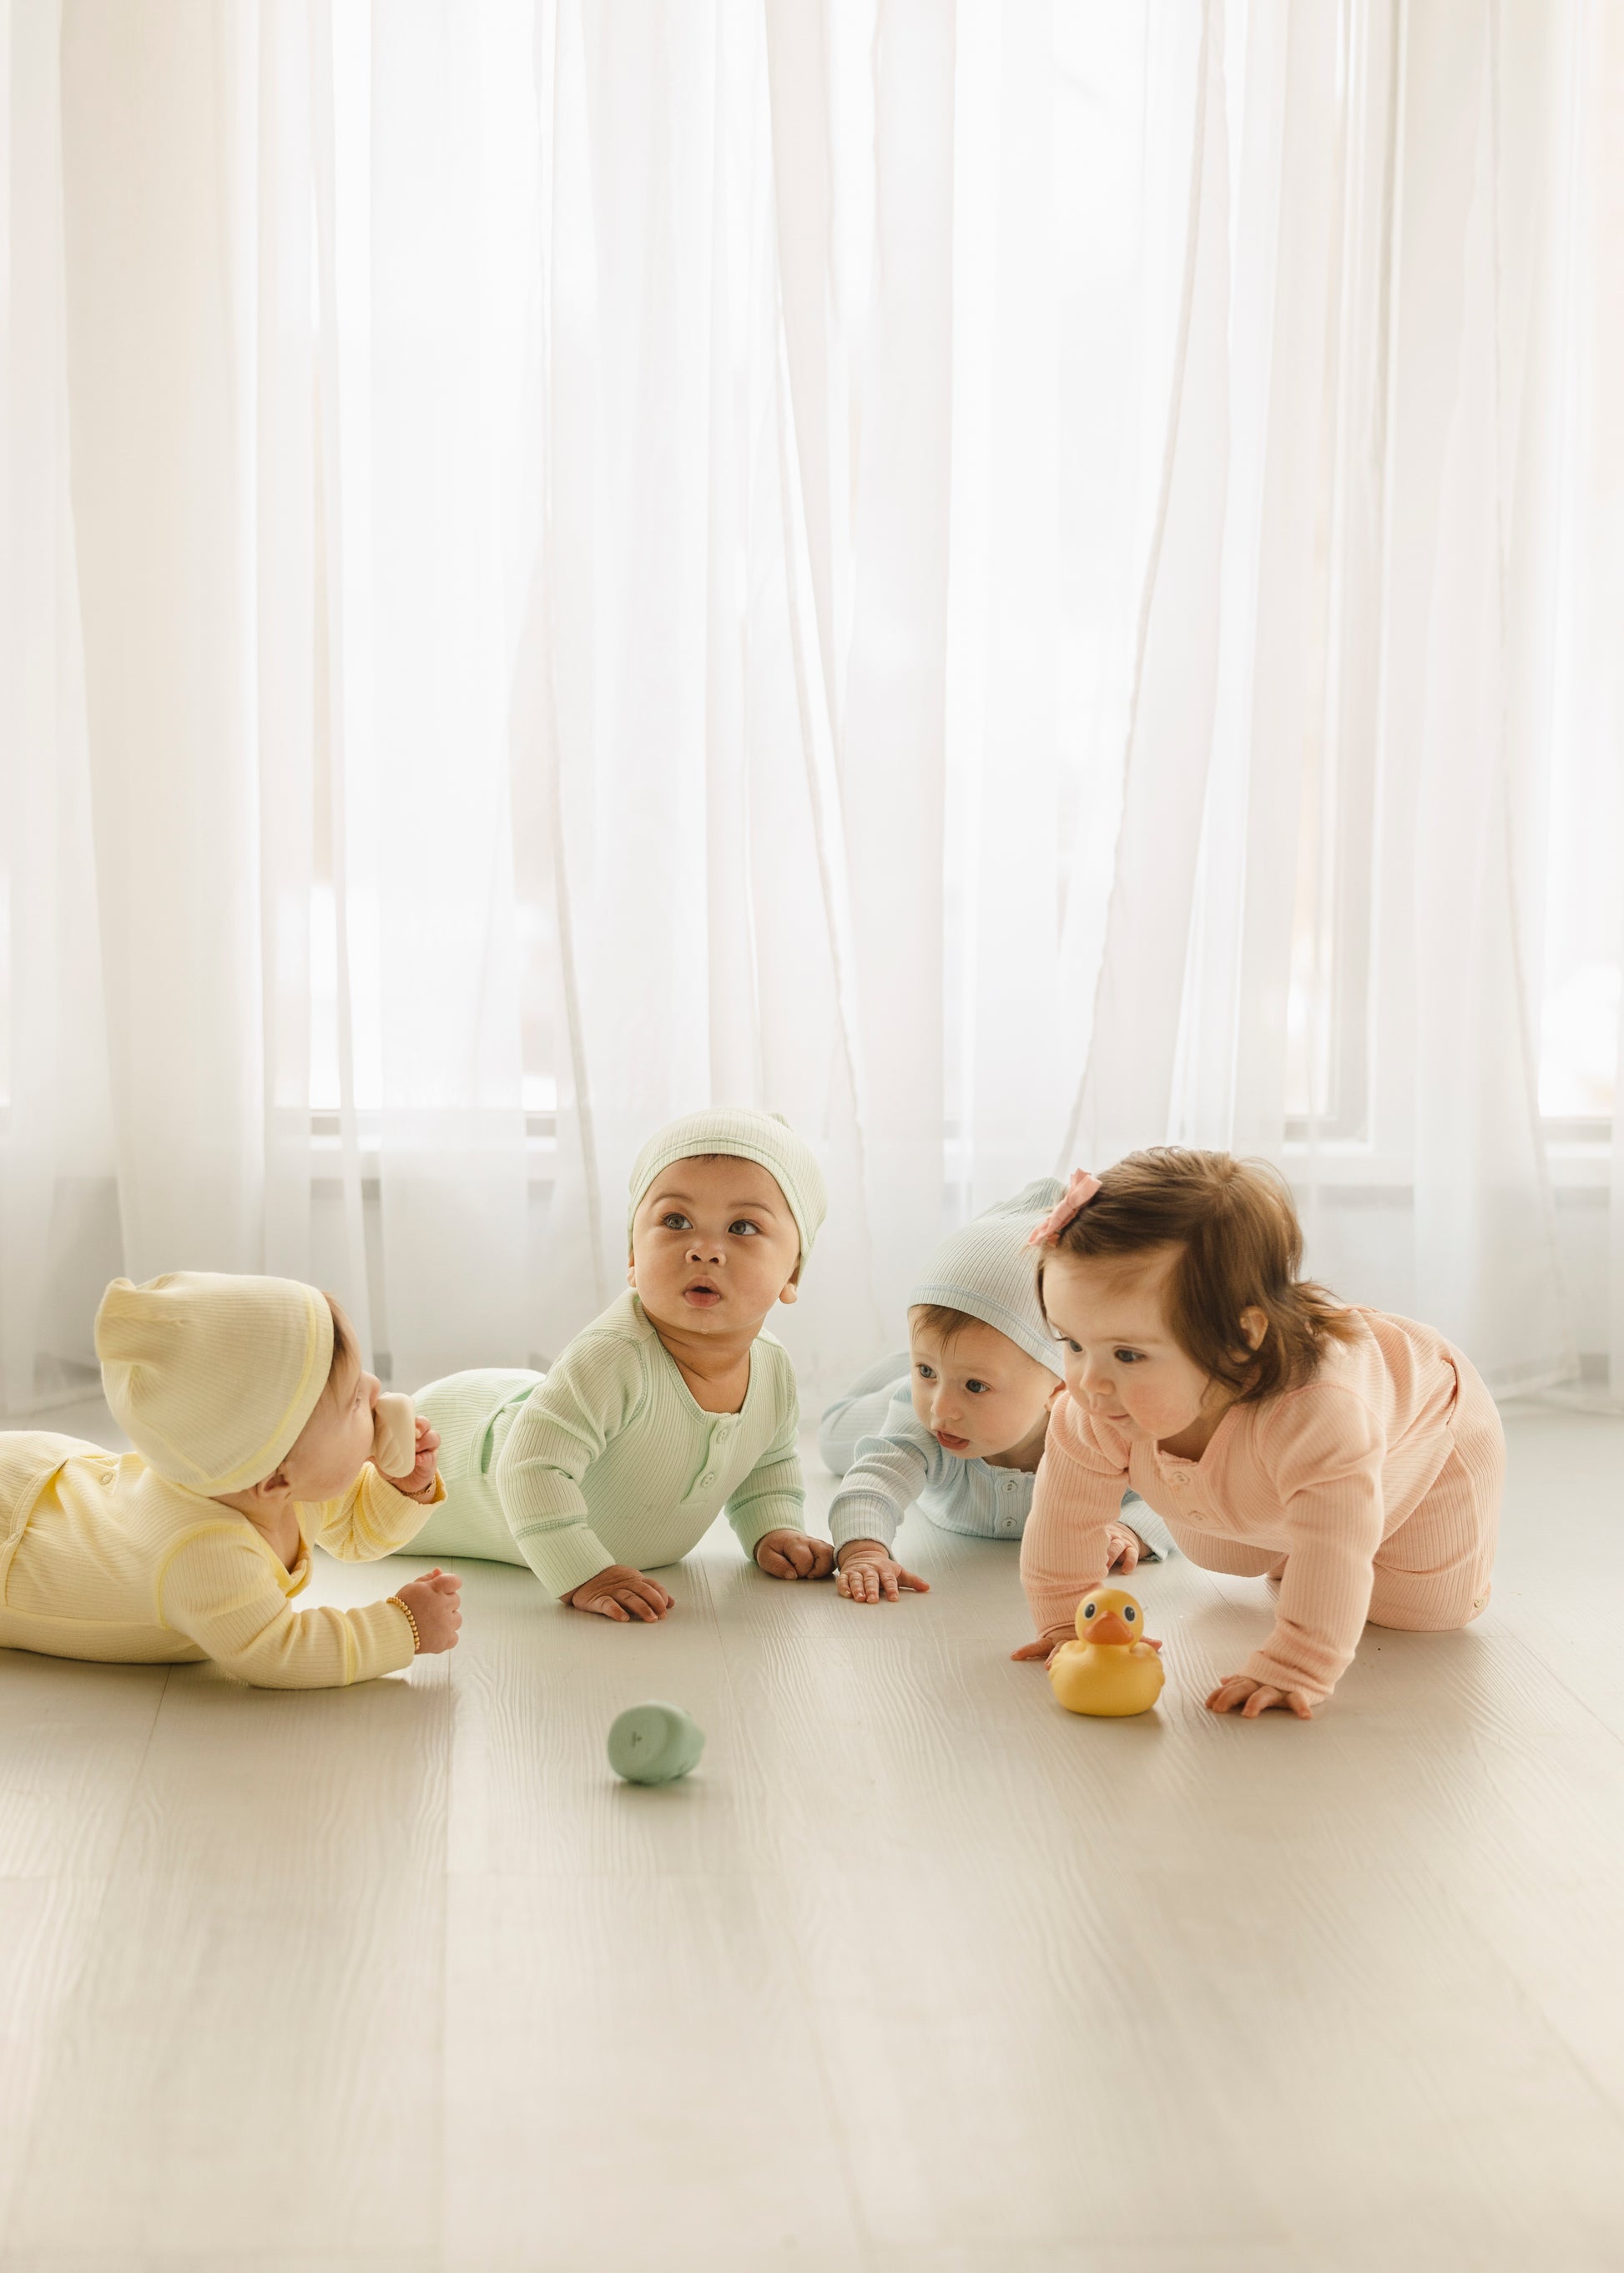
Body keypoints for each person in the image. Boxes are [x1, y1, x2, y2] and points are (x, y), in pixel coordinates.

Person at [1013, 1150, 1502, 1717]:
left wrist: (1296, 1662)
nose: (1090, 1382)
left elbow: (1334, 1546)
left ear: (1239, 1337)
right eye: (1072, 1343)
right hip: (1260, 1467)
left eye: (1127, 1353)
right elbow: (1064, 1516)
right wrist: (1065, 1622)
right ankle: (1303, 1543)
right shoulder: (1098, 1403)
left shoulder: (1319, 1414)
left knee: (1417, 1610)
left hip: (1425, 1437)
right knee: (1217, 1544)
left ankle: (1322, 1547)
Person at [407, 1107, 834, 1620]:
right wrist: (584, 1571)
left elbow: (767, 1462)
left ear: (794, 1273)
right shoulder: (615, 1356)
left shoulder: (774, 1372)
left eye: (743, 1227)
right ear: (632, 1255)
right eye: (675, 1221)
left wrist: (773, 1526)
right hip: (450, 1449)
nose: (704, 1250)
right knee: (325, 1496)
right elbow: (530, 1467)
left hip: (530, 1414)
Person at [0, 1272, 459, 1686]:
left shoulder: (280, 1478)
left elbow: (355, 1530)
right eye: (355, 1401)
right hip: (18, 1539)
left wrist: (405, 1487)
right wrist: (404, 1626)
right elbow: (281, 1650)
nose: (377, 1388)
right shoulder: (203, 1553)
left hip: (59, 1488)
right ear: (276, 1480)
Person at [820, 1181, 1171, 1604]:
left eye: (975, 1385)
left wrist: (1130, 1530)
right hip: (888, 1407)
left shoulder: (1098, 1430)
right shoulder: (924, 1422)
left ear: (1057, 1386)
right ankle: (904, 1368)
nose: (943, 1409)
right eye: (926, 1370)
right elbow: (873, 1482)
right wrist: (864, 1550)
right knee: (835, 1440)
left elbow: (1173, 1498)